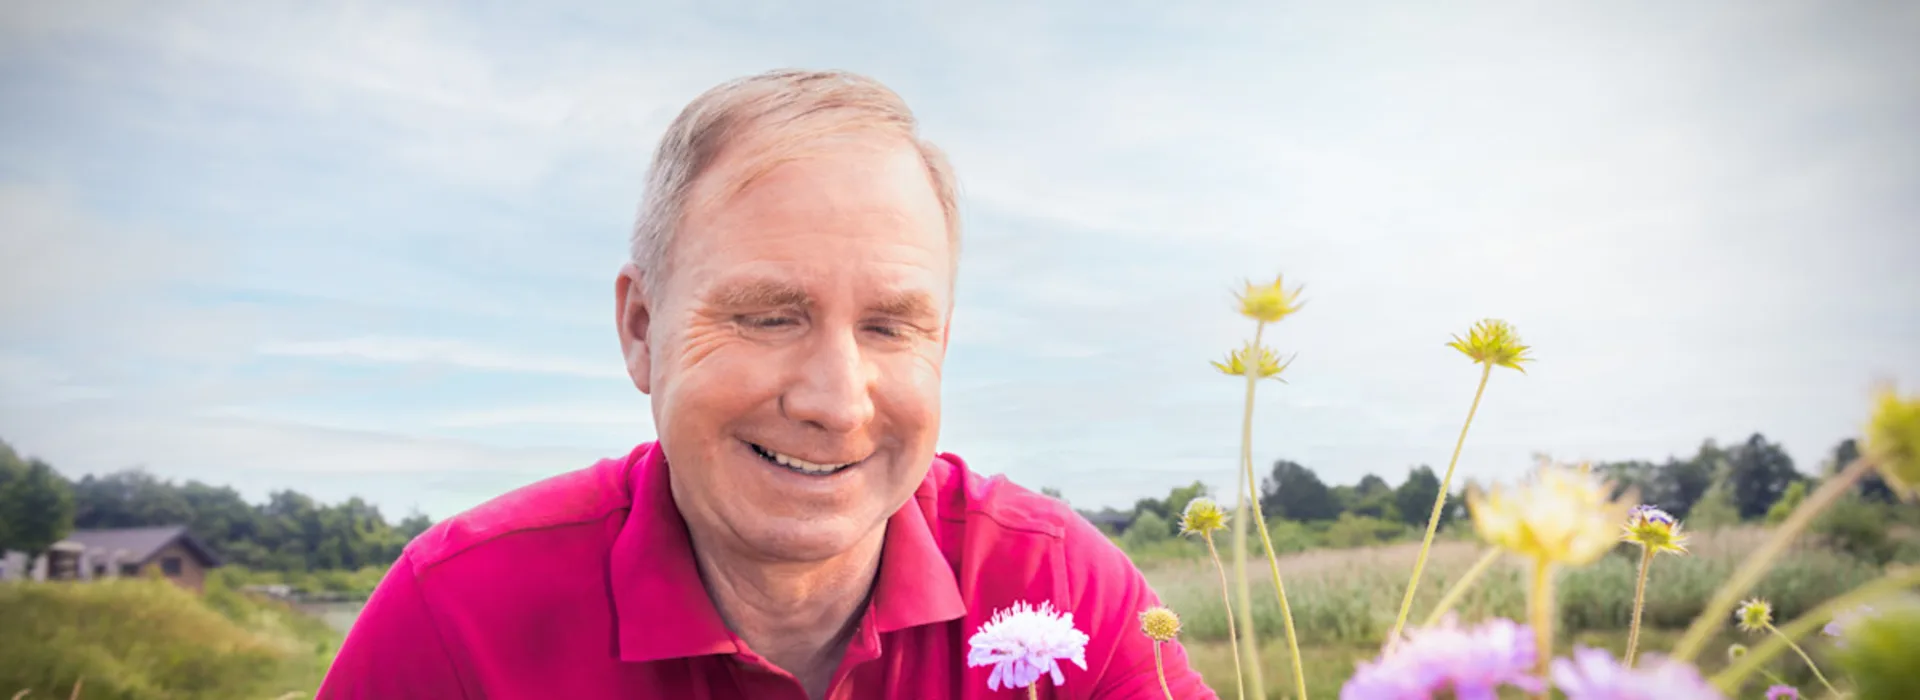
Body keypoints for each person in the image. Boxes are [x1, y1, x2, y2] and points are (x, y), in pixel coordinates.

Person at [317, 68, 1216, 700]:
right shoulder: (458, 614)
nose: (834, 400)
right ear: (641, 330)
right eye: (767, 315)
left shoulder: (1057, 587)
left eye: (888, 326)